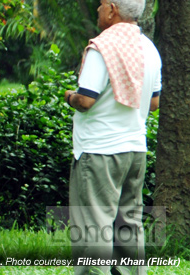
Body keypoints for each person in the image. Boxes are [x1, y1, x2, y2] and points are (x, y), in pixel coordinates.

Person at [63, 0, 160, 274]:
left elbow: (86, 100)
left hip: (99, 151)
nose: (98, 8)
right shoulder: (149, 49)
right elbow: (153, 103)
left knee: (94, 227)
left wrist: (69, 96)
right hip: (135, 149)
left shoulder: (102, 48)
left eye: (102, 3)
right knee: (129, 225)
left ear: (112, 9)